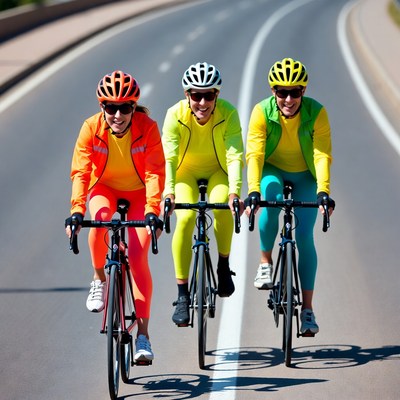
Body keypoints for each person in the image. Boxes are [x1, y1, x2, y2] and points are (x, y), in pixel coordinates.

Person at [65, 70, 165, 362]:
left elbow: (154, 172)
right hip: (104, 188)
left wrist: (151, 212)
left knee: (137, 255)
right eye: (111, 107)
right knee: (102, 223)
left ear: (134, 108)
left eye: (124, 108)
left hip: (139, 193)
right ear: (102, 108)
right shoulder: (91, 128)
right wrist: (76, 211)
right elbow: (81, 172)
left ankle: (143, 336)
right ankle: (99, 279)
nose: (118, 115)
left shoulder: (148, 128)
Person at [245, 58, 335, 335]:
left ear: (303, 91)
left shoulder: (317, 113)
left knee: (305, 237)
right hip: (273, 169)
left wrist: (324, 191)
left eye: (294, 92)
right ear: (273, 92)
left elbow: (321, 154)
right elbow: (255, 153)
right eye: (281, 92)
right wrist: (252, 191)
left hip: (305, 174)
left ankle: (307, 309)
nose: (288, 98)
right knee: (270, 203)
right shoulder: (261, 112)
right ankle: (265, 261)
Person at [162, 62, 244, 326]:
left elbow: (234, 155)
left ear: (216, 95)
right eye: (196, 95)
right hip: (185, 173)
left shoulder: (229, 113)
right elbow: (169, 157)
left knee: (221, 206)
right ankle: (183, 294)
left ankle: (222, 266)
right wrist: (169, 192)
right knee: (185, 220)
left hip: (217, 170)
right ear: (187, 95)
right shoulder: (174, 114)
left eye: (209, 95)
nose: (202, 102)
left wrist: (235, 192)